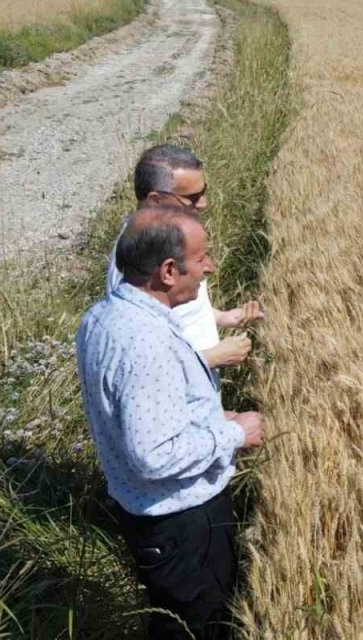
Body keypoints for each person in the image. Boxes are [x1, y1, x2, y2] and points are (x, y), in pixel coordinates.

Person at [77, 204, 265, 639]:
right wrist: (236, 432)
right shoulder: (146, 342)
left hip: (149, 517)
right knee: (199, 626)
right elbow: (155, 456)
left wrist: (212, 416)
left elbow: (139, 414)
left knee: (174, 619)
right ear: (167, 271)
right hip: (181, 521)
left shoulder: (103, 316)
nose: (210, 268)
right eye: (201, 259)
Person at [106, 144, 264, 369]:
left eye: (204, 191)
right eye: (192, 197)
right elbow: (138, 363)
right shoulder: (135, 262)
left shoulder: (172, 241)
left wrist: (224, 318)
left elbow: (180, 311)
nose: (204, 204)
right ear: (155, 200)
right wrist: (211, 359)